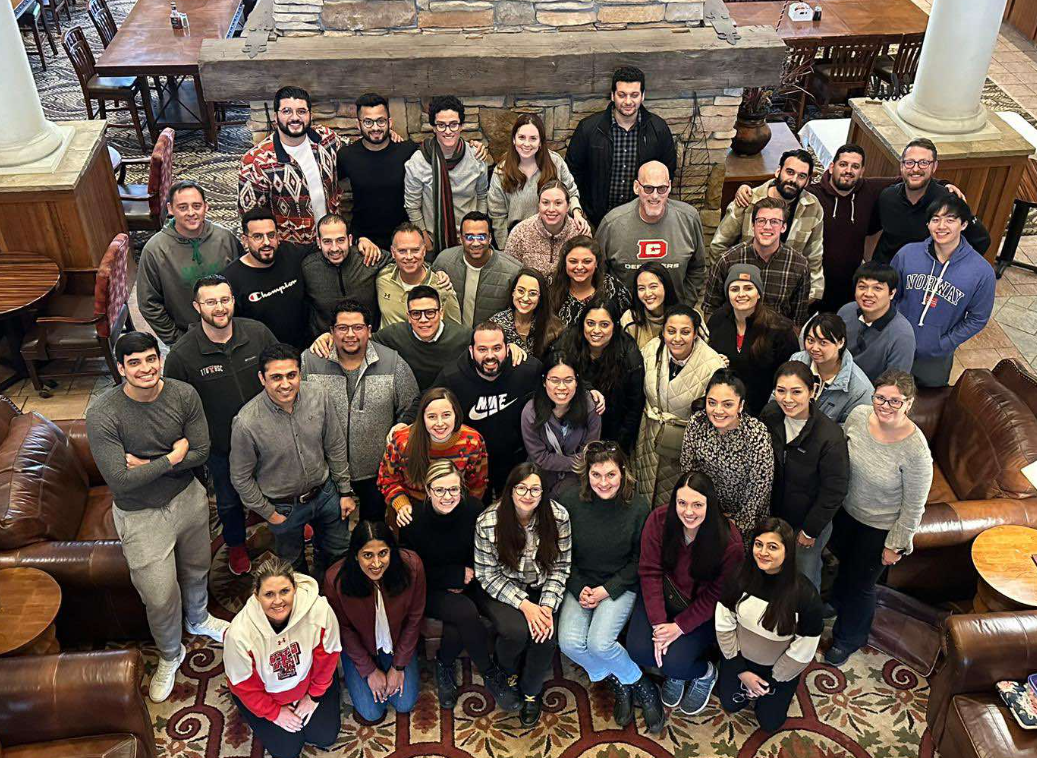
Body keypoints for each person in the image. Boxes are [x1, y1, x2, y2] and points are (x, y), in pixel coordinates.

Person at [85, 331, 228, 703]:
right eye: (135, 363)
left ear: (159, 359)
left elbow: (201, 451)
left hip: (188, 499)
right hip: (140, 515)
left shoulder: (183, 395)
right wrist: (170, 459)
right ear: (121, 369)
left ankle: (198, 618)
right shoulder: (103, 412)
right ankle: (170, 653)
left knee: (198, 567)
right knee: (160, 593)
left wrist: (146, 465)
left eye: (151, 359)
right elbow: (120, 481)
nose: (146, 368)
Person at [164, 275, 278, 576]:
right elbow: (176, 406)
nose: (219, 308)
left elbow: (280, 370)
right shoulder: (181, 355)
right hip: (221, 446)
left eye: (224, 300)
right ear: (197, 306)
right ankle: (237, 544)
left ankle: (288, 521)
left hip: (269, 436)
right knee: (228, 502)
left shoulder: (258, 333)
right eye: (211, 302)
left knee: (281, 485)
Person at [825, 370, 933, 666]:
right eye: (880, 398)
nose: (885, 406)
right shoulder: (859, 416)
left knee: (862, 585)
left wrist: (895, 545)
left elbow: (914, 506)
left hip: (879, 528)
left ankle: (849, 637)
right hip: (847, 513)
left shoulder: (916, 452)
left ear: (909, 404)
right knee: (843, 565)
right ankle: (835, 601)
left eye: (895, 402)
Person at [230, 343, 356, 577]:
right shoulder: (246, 422)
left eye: (291, 375)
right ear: (262, 378)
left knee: (339, 551)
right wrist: (268, 513)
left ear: (300, 373)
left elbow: (335, 444)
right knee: (292, 563)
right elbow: (240, 477)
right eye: (276, 377)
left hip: (326, 493)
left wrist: (345, 491)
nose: (285, 384)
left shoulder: (319, 396)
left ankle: (333, 596)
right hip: (283, 505)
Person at [556, 443, 658, 731]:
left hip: (620, 583)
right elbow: (562, 555)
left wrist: (606, 590)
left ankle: (642, 687)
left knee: (600, 642)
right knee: (570, 642)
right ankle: (624, 679)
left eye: (611, 474)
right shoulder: (569, 502)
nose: (604, 482)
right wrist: (578, 588)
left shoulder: (638, 507)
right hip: (580, 582)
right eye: (596, 474)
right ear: (586, 475)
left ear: (623, 473)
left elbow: (640, 561)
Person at [399, 461, 515, 709]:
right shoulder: (413, 521)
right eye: (440, 490)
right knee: (464, 611)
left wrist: (466, 577)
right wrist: (452, 577)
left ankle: (445, 662)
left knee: (459, 615)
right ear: (428, 491)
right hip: (430, 586)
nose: (447, 496)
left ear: (461, 489)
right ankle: (489, 672)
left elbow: (485, 550)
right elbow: (411, 573)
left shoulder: (473, 509)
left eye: (453, 489)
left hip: (471, 577)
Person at [629, 472, 743, 716]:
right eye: (682, 503)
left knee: (675, 664)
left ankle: (705, 673)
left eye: (697, 504)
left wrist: (679, 627)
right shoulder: (658, 520)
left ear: (709, 504)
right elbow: (649, 572)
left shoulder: (729, 542)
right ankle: (678, 670)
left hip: (699, 609)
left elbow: (717, 595)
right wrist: (660, 624)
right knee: (640, 650)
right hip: (662, 595)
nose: (689, 512)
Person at [301, 299, 419, 523]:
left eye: (357, 327)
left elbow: (411, 404)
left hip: (376, 470)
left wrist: (398, 435)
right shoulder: (311, 361)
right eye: (342, 328)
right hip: (325, 471)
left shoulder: (392, 362)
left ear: (369, 330)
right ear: (331, 331)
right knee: (329, 535)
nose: (350, 334)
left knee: (372, 529)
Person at [474, 463, 572, 725]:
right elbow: (487, 575)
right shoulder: (488, 521)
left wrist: (547, 606)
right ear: (510, 490)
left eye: (535, 489)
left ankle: (531, 691)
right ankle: (505, 672)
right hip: (501, 588)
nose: (528, 495)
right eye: (522, 488)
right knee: (516, 631)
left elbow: (561, 566)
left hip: (542, 586)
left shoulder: (558, 516)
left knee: (545, 633)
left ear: (543, 492)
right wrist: (526, 605)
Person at [224, 560, 342, 758]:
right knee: (287, 751)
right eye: (269, 594)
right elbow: (243, 684)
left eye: (285, 591)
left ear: (295, 589)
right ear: (256, 595)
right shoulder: (239, 634)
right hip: (268, 695)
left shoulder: (319, 610)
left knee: (325, 736)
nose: (278, 601)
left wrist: (314, 696)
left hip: (308, 684)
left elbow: (328, 656)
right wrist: (275, 713)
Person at [715, 518, 824, 732]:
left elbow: (804, 648)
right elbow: (724, 625)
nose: (763, 552)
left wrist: (771, 681)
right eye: (759, 544)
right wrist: (740, 671)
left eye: (772, 547)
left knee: (770, 723)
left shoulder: (805, 595)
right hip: (738, 659)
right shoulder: (738, 578)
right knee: (730, 703)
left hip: (777, 668)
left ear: (788, 551)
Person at [759, 361, 849, 589]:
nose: (787, 399)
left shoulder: (830, 436)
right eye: (781, 391)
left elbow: (835, 490)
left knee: (803, 580)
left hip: (807, 523)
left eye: (796, 391)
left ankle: (805, 623)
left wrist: (810, 530)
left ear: (812, 391)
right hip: (773, 516)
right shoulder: (770, 415)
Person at [324, 522, 426, 722]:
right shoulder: (335, 579)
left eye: (383, 553)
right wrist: (369, 670)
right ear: (355, 555)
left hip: (397, 645)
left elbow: (415, 619)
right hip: (360, 648)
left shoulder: (412, 567)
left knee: (404, 703)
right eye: (368, 555)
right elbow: (343, 630)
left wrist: (398, 667)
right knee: (371, 712)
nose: (377, 563)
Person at [890, 194, 996, 388]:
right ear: (928, 224)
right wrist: (892, 328)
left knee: (928, 407)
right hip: (896, 345)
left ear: (963, 225)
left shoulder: (982, 272)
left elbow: (978, 318)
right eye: (935, 219)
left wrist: (944, 343)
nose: (941, 226)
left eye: (950, 220)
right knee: (884, 396)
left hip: (935, 357)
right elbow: (890, 295)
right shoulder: (907, 254)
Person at [429, 322, 541, 497]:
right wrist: (404, 422)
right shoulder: (452, 377)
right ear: (471, 351)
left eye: (497, 348)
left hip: (516, 459)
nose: (490, 356)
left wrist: (588, 390)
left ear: (508, 348)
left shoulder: (528, 370)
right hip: (472, 463)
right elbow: (427, 399)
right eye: (482, 349)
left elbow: (560, 379)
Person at [634, 305, 725, 509]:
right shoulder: (650, 350)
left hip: (683, 444)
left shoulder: (712, 364)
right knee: (644, 493)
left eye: (685, 332)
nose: (677, 338)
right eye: (671, 331)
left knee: (674, 502)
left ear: (695, 333)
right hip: (647, 434)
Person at [566, 66, 677, 226]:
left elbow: (668, 172)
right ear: (612, 95)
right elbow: (572, 172)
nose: (628, 101)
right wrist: (581, 210)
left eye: (634, 95)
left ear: (643, 96)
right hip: (596, 219)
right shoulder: (588, 128)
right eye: (622, 95)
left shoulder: (658, 129)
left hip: (641, 219)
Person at [710, 149, 823, 303]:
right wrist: (728, 286)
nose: (793, 180)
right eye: (789, 172)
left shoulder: (812, 207)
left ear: (808, 181)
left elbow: (814, 257)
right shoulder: (749, 200)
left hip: (784, 296)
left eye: (801, 176)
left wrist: (809, 297)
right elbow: (719, 245)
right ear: (778, 171)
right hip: (743, 292)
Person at [137, 181, 241, 346]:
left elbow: (245, 281)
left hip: (232, 332)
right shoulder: (155, 250)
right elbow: (149, 303)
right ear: (170, 209)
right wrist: (177, 340)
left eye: (197, 206)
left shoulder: (225, 239)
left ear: (206, 207)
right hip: (188, 338)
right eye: (183, 207)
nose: (191, 213)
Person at [679, 369, 774, 547]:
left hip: (744, 523)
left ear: (741, 405)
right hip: (703, 515)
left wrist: (734, 526)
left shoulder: (756, 434)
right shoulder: (697, 423)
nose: (718, 411)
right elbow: (688, 472)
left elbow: (760, 490)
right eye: (712, 402)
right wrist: (707, 516)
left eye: (727, 404)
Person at [239, 86, 341, 245]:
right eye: (286, 111)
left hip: (331, 241)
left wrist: (387, 136)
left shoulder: (327, 139)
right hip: (290, 250)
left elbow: (356, 150)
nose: (295, 118)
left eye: (301, 111)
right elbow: (251, 220)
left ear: (310, 115)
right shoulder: (255, 162)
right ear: (275, 116)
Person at [595, 161, 707, 305]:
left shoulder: (689, 219)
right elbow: (598, 272)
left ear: (669, 187)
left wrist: (684, 306)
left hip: (674, 317)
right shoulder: (612, 223)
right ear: (636, 187)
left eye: (661, 188)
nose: (655, 196)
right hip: (625, 315)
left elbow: (697, 268)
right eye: (648, 188)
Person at [868, 138, 990, 266]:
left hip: (925, 280)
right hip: (887, 275)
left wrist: (952, 271)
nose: (915, 169)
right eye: (909, 162)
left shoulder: (949, 201)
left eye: (923, 163)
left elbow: (981, 240)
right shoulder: (887, 197)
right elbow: (871, 231)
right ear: (901, 165)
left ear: (934, 166)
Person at [378, 387, 488, 527]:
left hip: (454, 505)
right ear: (422, 418)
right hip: (412, 507)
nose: (440, 423)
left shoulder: (472, 440)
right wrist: (400, 502)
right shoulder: (402, 441)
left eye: (446, 415)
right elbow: (387, 478)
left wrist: (461, 510)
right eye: (432, 417)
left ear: (456, 414)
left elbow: (477, 484)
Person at [555, 296, 646, 453]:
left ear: (615, 326)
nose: (596, 330)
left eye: (604, 325)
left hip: (611, 432)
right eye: (590, 323)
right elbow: (552, 377)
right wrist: (586, 388)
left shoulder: (629, 354)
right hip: (569, 427)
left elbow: (634, 407)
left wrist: (618, 448)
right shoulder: (568, 342)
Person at [706, 264, 800, 415]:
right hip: (724, 409)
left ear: (759, 293)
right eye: (734, 289)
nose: (741, 294)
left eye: (748, 288)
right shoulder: (717, 320)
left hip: (764, 410)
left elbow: (790, 374)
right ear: (727, 294)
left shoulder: (779, 329)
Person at [703, 197, 811, 326]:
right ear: (753, 225)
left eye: (774, 222)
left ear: (783, 227)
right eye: (761, 221)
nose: (767, 227)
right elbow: (710, 309)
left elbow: (797, 320)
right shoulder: (728, 260)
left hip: (778, 339)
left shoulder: (799, 265)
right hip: (734, 337)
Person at [489, 113, 589, 248]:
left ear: (540, 142)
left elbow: (571, 192)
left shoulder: (555, 162)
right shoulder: (501, 171)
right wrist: (506, 249)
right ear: (514, 139)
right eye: (522, 138)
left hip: (554, 237)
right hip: (520, 240)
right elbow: (497, 216)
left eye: (533, 138)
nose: (526, 144)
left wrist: (577, 213)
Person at [405, 95, 489, 255]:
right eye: (441, 125)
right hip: (433, 242)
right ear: (433, 127)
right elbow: (412, 205)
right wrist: (424, 238)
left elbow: (482, 196)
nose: (448, 131)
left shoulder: (476, 157)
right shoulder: (418, 161)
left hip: (470, 241)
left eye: (453, 125)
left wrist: (478, 229)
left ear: (461, 126)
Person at [337, 92, 419, 250]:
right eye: (368, 122)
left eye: (380, 121)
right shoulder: (346, 156)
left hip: (403, 241)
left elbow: (439, 154)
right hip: (363, 241)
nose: (375, 128)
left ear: (389, 122)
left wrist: (473, 147)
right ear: (358, 124)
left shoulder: (407, 151)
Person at [223, 208, 310, 348]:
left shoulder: (291, 253)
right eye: (258, 236)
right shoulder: (230, 279)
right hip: (264, 358)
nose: (267, 242)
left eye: (271, 235)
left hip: (305, 349)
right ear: (245, 240)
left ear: (278, 236)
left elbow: (324, 248)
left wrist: (358, 242)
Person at [520, 353, 602, 497]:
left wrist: (579, 464)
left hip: (578, 478)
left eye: (568, 380)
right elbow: (540, 457)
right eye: (555, 380)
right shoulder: (531, 412)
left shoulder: (590, 407)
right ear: (544, 381)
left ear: (577, 381)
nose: (562, 387)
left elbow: (590, 452)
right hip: (540, 478)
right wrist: (576, 461)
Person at [369, 287, 473, 391]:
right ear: (409, 317)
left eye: (430, 312)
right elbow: (365, 342)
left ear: (441, 313)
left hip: (451, 400)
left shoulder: (463, 336)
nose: (423, 319)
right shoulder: (394, 334)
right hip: (410, 401)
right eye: (416, 314)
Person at [302, 213, 388, 338]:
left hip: (370, 340)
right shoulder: (307, 268)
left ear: (350, 239)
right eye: (327, 242)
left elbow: (402, 260)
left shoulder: (367, 257)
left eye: (340, 240)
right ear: (318, 242)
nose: (335, 248)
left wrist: (365, 241)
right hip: (326, 345)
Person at [432, 211, 522, 327]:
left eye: (481, 236)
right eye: (469, 237)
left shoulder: (512, 271)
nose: (475, 243)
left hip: (490, 341)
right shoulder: (444, 261)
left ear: (490, 238)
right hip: (453, 338)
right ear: (461, 239)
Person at [837, 262, 916, 383]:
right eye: (862, 287)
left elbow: (893, 385)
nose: (868, 294)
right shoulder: (846, 311)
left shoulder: (902, 335)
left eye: (877, 288)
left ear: (892, 293)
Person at [791, 313, 873, 424]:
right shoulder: (798, 359)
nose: (814, 348)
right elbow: (777, 396)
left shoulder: (860, 390)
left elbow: (850, 430)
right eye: (810, 340)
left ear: (841, 342)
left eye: (823, 343)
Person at [377, 222, 462, 326]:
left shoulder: (442, 287)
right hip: (386, 342)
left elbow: (455, 332)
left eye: (415, 250)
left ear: (424, 251)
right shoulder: (383, 277)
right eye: (402, 251)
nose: (409, 257)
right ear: (393, 252)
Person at [503, 180, 582, 277]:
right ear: (539, 205)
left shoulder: (579, 232)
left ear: (568, 206)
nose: (551, 209)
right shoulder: (520, 232)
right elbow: (508, 273)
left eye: (558, 203)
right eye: (545, 203)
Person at [550, 236, 632, 327]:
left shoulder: (612, 287)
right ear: (565, 263)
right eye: (573, 261)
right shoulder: (550, 285)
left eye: (587, 261)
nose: (580, 267)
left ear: (596, 263)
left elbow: (629, 320)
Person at [490, 268, 564, 358]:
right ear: (513, 292)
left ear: (540, 298)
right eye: (521, 291)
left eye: (532, 293)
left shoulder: (554, 327)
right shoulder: (496, 324)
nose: (525, 298)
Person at [620, 262, 680, 349]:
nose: (647, 294)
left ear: (666, 286)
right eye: (641, 288)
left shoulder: (687, 317)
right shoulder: (629, 319)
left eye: (653, 286)